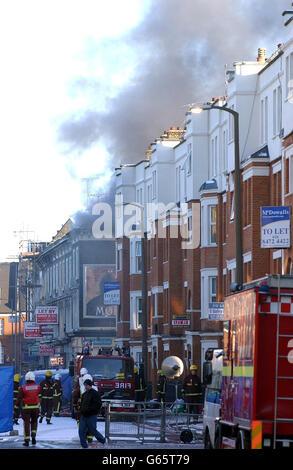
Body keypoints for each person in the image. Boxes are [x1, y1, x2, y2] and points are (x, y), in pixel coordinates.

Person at [14, 371, 41, 447]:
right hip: (35, 408)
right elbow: (40, 396)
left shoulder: (23, 388)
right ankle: (33, 437)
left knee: (26, 423)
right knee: (34, 422)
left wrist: (15, 408)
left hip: (26, 408)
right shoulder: (38, 387)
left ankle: (26, 440)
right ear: (33, 379)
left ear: (26, 379)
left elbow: (19, 399)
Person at [78, 378, 105, 449]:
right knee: (81, 430)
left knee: (93, 430)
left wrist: (92, 411)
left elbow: (98, 404)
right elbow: (82, 404)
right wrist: (81, 410)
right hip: (84, 416)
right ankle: (84, 446)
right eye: (84, 385)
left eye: (86, 385)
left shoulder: (95, 394)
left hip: (91, 416)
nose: (85, 387)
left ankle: (103, 440)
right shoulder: (84, 394)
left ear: (90, 385)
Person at [72, 371, 95, 444]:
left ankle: (84, 436)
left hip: (82, 410)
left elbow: (75, 397)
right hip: (92, 411)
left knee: (82, 423)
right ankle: (90, 438)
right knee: (91, 424)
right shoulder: (95, 389)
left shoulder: (80, 389)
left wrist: (75, 406)